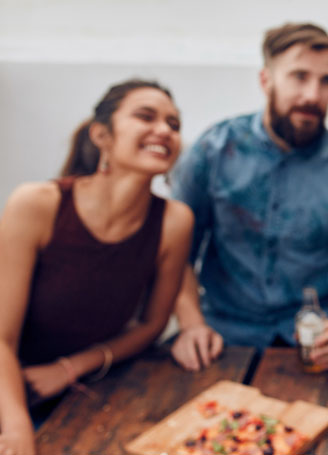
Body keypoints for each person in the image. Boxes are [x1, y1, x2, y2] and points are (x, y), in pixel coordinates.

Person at [168, 23, 328, 373]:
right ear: (266, 80)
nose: (313, 95)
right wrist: (192, 325)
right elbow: (176, 250)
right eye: (299, 77)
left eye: (325, 81)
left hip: (315, 340)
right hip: (221, 336)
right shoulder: (214, 149)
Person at [0, 80, 194, 455]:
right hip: (10, 390)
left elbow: (152, 324)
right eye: (145, 116)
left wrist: (69, 369)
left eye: (174, 124)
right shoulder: (36, 205)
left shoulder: (175, 221)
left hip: (86, 389)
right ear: (102, 135)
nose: (164, 131)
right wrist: (17, 428)